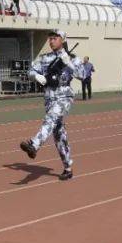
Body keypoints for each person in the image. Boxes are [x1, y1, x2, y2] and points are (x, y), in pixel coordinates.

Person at [19, 29, 84, 180]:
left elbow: (83, 75)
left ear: (62, 40)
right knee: (59, 134)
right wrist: (37, 76)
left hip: (64, 96)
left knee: (51, 118)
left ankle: (34, 144)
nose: (51, 41)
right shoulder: (44, 58)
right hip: (49, 97)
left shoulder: (72, 58)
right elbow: (30, 71)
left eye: (55, 38)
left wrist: (69, 63)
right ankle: (68, 167)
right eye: (50, 38)